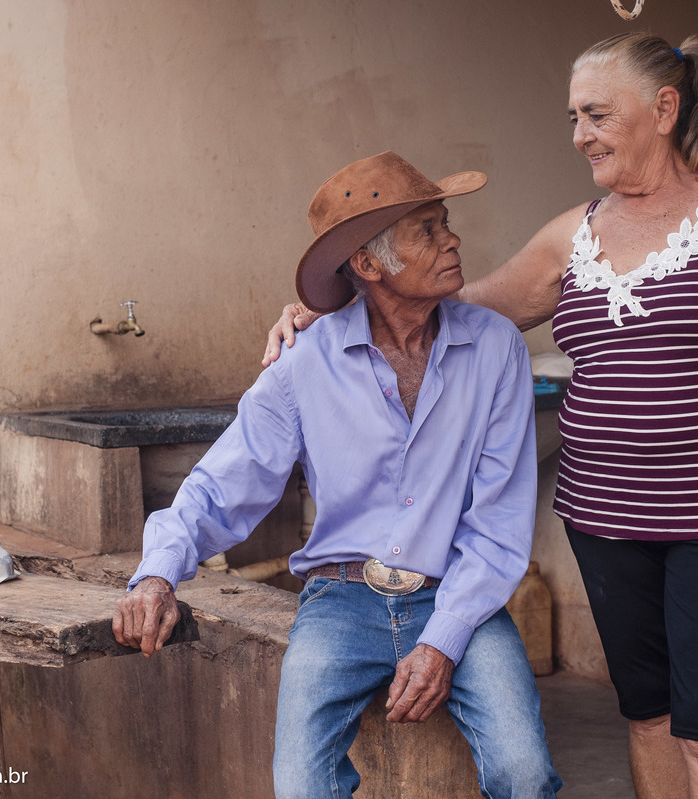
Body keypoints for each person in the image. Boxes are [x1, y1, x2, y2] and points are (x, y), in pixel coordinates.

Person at [264, 33, 698, 799]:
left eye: (598, 115)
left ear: (664, 110)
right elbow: (454, 306)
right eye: (574, 117)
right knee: (648, 719)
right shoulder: (573, 235)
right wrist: (328, 312)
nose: (580, 135)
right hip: (604, 522)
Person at [114, 150, 563, 798]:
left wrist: (442, 638)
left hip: (456, 590)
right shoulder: (305, 364)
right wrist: (158, 572)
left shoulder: (494, 348)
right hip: (341, 598)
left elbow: (497, 520)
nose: (453, 240)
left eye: (445, 222)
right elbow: (222, 485)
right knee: (301, 784)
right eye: (428, 230)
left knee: (525, 771)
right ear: (369, 264)